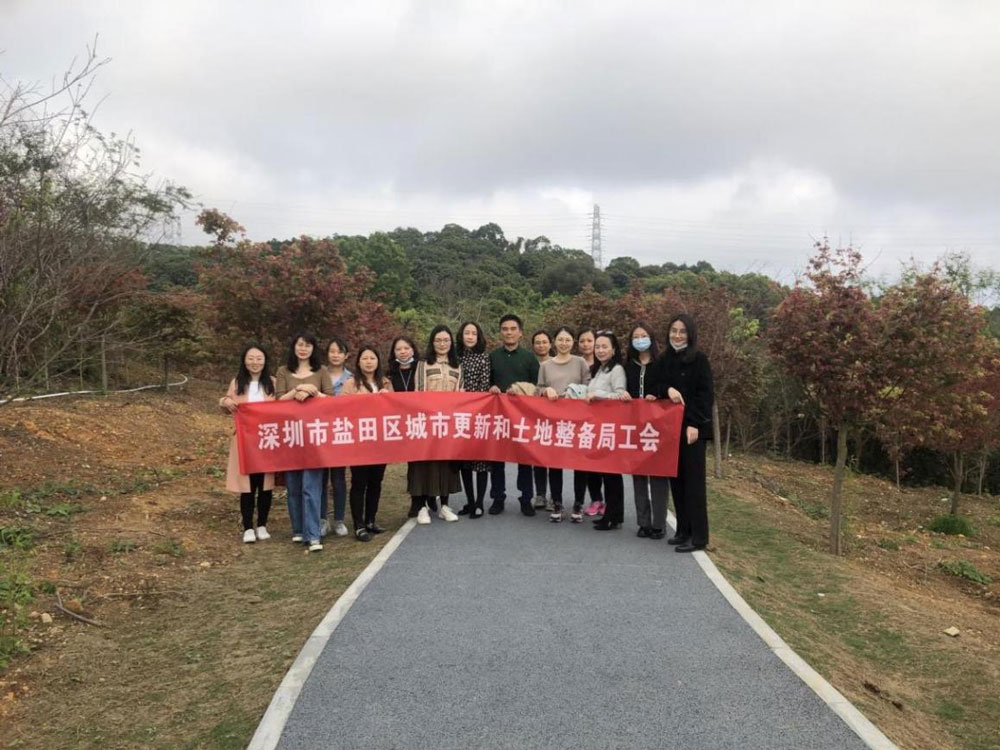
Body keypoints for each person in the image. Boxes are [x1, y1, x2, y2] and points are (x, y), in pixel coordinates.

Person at [654, 313, 714, 552]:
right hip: (670, 429)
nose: (677, 335)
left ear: (690, 334)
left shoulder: (699, 359)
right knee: (677, 481)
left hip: (692, 429)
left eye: (682, 331)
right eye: (674, 331)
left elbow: (705, 394)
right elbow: (655, 385)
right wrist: (667, 389)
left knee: (694, 484)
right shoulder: (664, 359)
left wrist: (695, 423)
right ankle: (682, 531)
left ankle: (698, 537)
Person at [275, 332, 334, 552]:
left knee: (312, 485)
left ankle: (313, 534)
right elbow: (278, 401)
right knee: (293, 486)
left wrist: (313, 391)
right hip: (291, 436)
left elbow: (332, 400)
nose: (303, 349)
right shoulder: (283, 371)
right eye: (300, 344)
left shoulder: (322, 371)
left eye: (308, 345)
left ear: (313, 349)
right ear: (294, 347)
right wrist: (297, 390)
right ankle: (298, 529)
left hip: (315, 436)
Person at [220, 344, 277, 543]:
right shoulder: (237, 383)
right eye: (251, 358)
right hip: (245, 441)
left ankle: (262, 524)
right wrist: (225, 401)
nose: (255, 362)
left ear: (265, 361)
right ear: (244, 361)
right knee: (248, 485)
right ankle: (248, 527)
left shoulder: (272, 383)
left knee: (265, 484)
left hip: (267, 439)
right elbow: (226, 403)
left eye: (259, 358)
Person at [410, 325, 464, 525]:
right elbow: (419, 392)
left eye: (446, 340)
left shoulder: (457, 366)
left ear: (451, 343)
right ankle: (422, 507)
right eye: (438, 340)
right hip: (427, 421)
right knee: (425, 464)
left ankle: (444, 506)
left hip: (448, 423)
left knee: (446, 464)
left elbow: (460, 394)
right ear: (432, 342)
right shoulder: (423, 364)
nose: (442, 344)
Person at [537, 326, 591, 522]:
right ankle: (557, 503)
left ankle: (578, 503)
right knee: (555, 463)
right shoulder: (546, 365)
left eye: (568, 340)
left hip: (578, 420)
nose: (564, 343)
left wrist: (574, 392)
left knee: (580, 463)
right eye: (560, 339)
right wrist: (546, 391)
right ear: (554, 341)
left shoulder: (580, 362)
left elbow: (589, 386)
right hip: (554, 421)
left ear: (573, 342)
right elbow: (538, 388)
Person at [488, 314, 539, 516]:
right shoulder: (492, 356)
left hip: (522, 417)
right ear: (500, 332)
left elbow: (536, 388)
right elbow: (487, 384)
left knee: (524, 460)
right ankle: (497, 498)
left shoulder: (529, 358)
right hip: (498, 416)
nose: (508, 332)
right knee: (496, 459)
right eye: (505, 329)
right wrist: (491, 387)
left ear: (520, 333)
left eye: (512, 329)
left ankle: (526, 499)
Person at [341, 345, 393, 542]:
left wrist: (388, 397)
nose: (369, 362)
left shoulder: (385, 382)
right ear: (358, 362)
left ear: (378, 361)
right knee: (359, 482)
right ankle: (359, 525)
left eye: (372, 358)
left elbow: (395, 408)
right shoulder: (351, 383)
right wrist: (360, 400)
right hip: (359, 440)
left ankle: (371, 520)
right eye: (365, 358)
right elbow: (341, 408)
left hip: (380, 439)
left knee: (376, 481)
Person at [624, 322, 669, 540]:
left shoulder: (662, 363)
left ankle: (659, 524)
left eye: (644, 335)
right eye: (636, 336)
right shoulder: (628, 365)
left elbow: (668, 386)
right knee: (639, 476)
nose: (640, 339)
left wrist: (657, 393)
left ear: (651, 338)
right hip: (634, 426)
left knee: (659, 475)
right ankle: (643, 522)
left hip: (658, 427)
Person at [587, 330, 630, 530]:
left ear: (614, 350)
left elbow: (621, 395)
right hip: (598, 427)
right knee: (605, 473)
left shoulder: (617, 370)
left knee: (612, 474)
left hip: (611, 428)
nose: (600, 350)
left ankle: (613, 516)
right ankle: (611, 515)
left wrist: (598, 394)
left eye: (605, 347)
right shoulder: (599, 370)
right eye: (598, 346)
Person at [387, 335, 425, 518]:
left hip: (422, 421)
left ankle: (426, 499)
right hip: (401, 424)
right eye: (398, 349)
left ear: (413, 350)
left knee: (423, 461)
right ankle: (416, 500)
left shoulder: (422, 368)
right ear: (393, 352)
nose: (403, 352)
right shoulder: (389, 374)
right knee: (412, 464)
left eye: (406, 348)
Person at [456, 321, 490, 519]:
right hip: (459, 416)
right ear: (461, 335)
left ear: (478, 337)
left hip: (478, 414)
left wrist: (474, 408)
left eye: (473, 333)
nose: (469, 336)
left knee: (481, 463)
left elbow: (484, 386)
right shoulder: (455, 357)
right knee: (465, 463)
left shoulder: (483, 357)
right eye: (466, 333)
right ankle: (469, 501)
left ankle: (479, 503)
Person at [321, 337, 352, 538]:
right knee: (321, 479)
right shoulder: (318, 374)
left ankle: (339, 519)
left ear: (346, 355)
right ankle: (323, 519)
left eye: (339, 352)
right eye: (332, 351)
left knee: (339, 478)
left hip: (341, 432)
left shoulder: (351, 379)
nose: (335, 355)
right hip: (321, 432)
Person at [575, 327, 604, 517]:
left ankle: (598, 499)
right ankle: (579, 501)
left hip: (600, 420)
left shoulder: (603, 365)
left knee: (597, 463)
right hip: (579, 420)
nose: (586, 344)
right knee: (580, 463)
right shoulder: (575, 364)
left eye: (589, 341)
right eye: (582, 341)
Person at [530, 329, 555, 510]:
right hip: (534, 415)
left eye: (544, 342)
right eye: (537, 342)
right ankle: (540, 494)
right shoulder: (529, 363)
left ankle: (555, 496)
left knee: (553, 458)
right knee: (537, 457)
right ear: (533, 346)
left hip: (555, 416)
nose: (541, 345)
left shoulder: (557, 362)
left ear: (550, 344)